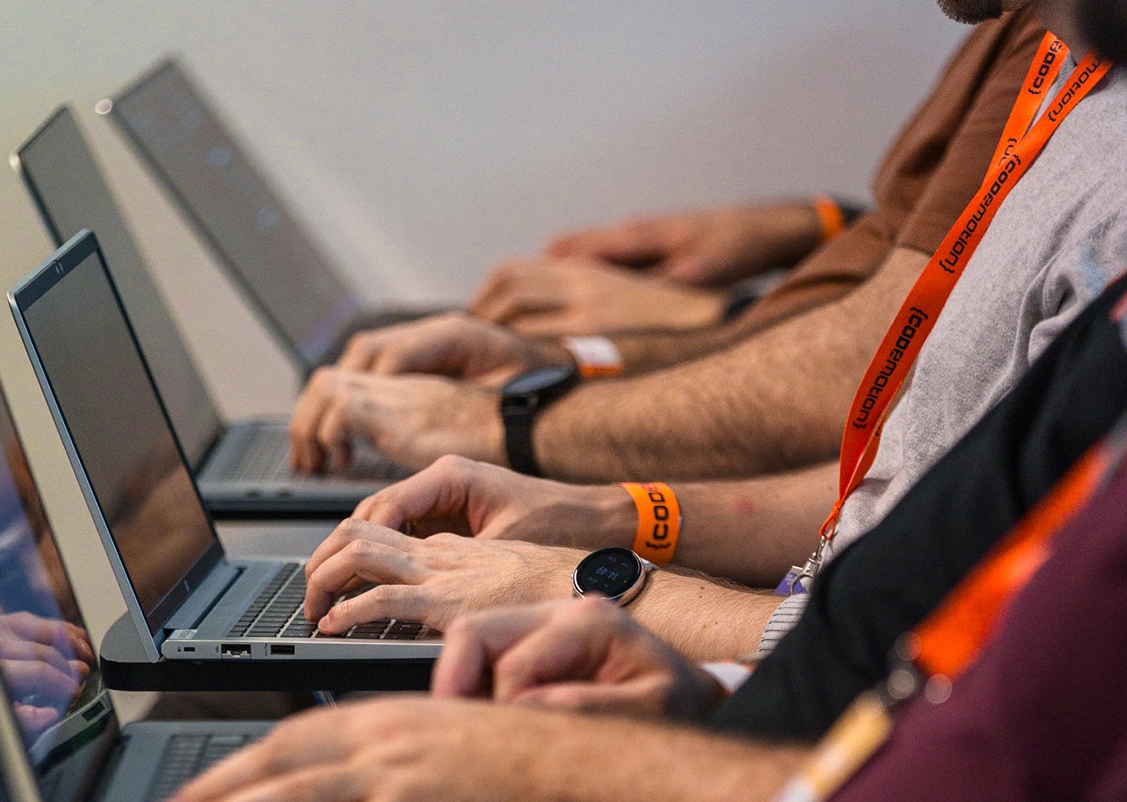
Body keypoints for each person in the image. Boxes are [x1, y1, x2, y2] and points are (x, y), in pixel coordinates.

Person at [152, 1, 1127, 802]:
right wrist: (622, 539)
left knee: (217, 720)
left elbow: (1000, 757)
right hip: (774, 704)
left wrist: (597, 648)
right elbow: (904, 503)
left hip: (794, 740)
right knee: (210, 699)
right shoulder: (1086, 103)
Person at [289, 3, 1127, 665]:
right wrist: (609, 515)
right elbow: (900, 491)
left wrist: (586, 567)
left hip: (811, 698)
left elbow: (936, 654)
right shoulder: (1078, 86)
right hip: (789, 638)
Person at [287, 11, 1046, 481]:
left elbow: (864, 367)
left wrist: (505, 422)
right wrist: (810, 224)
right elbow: (920, 260)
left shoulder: (1058, 48)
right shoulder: (1009, 24)